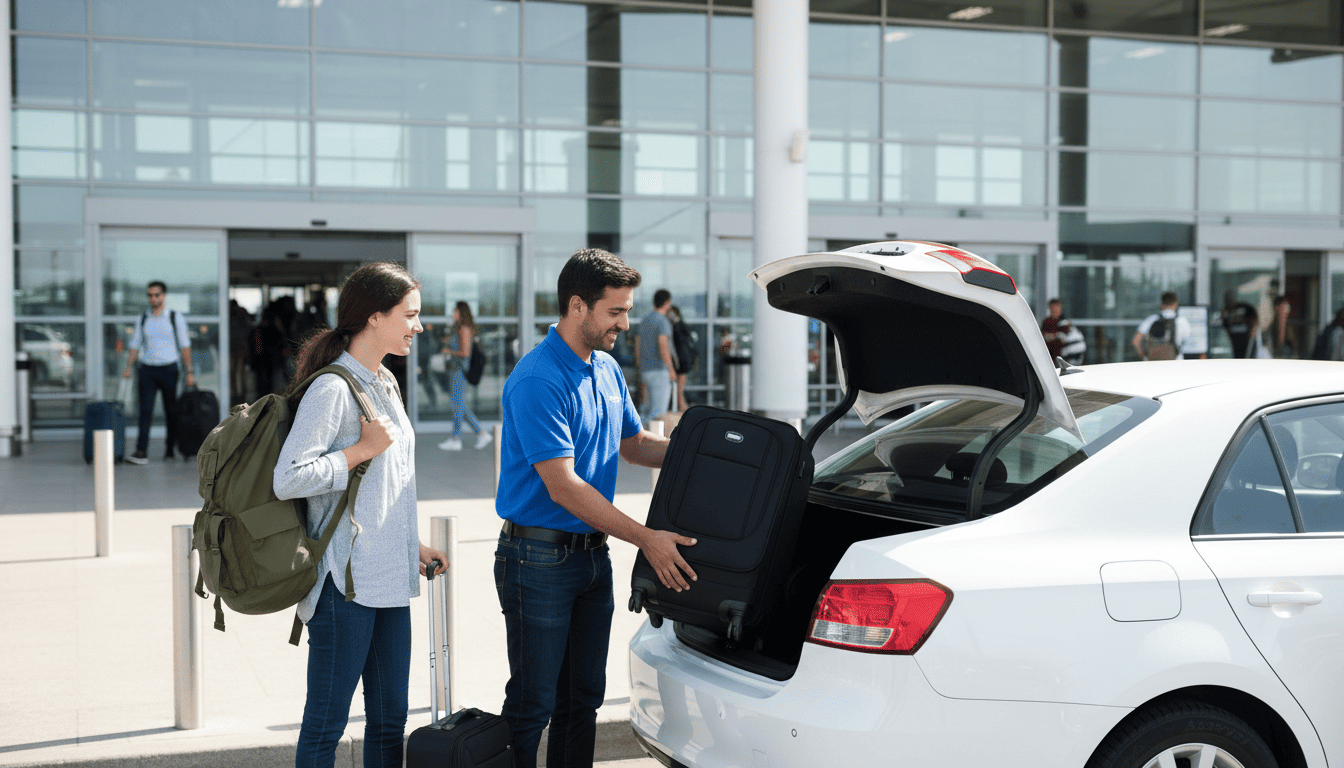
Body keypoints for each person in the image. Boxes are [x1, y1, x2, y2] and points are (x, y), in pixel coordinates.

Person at [495, 248, 697, 768]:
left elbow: (632, 444)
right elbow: (563, 486)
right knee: (532, 705)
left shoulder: (605, 367)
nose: (625, 324)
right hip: (537, 560)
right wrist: (646, 536)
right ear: (577, 306)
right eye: (616, 312)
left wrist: (703, 452)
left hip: (590, 558)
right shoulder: (539, 378)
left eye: (628, 311)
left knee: (581, 701)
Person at [274, 262, 448, 768]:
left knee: (391, 720)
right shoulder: (333, 389)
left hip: (389, 579)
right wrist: (355, 452)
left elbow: (387, 482)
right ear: (375, 317)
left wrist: (411, 546)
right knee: (327, 724)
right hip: (342, 588)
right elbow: (290, 477)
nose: (418, 326)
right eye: (409, 315)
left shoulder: (386, 382)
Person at [122, 281, 194, 464]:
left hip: (169, 368)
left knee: (171, 411)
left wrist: (189, 371)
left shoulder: (174, 317)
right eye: (150, 295)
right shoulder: (143, 318)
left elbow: (185, 345)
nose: (153, 298)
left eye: (156, 295)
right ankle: (141, 450)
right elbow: (135, 344)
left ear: (163, 296)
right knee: (145, 411)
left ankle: (170, 449)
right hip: (147, 369)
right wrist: (129, 366)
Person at [436, 301, 492, 451]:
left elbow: (465, 353)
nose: (453, 314)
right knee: (459, 405)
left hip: (460, 372)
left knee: (456, 405)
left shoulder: (464, 329)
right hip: (456, 371)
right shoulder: (459, 329)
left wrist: (449, 352)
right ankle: (481, 433)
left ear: (461, 312)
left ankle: (456, 438)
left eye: (455, 311)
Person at [635, 288, 677, 421]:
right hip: (659, 371)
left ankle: (639, 439)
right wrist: (671, 370)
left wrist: (639, 365)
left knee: (645, 410)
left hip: (645, 371)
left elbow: (638, 345)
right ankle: (650, 441)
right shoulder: (663, 321)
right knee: (658, 413)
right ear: (667, 303)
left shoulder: (644, 320)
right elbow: (663, 347)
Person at [1132, 291, 1191, 361]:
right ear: (1175, 304)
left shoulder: (1151, 320)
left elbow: (1136, 341)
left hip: (1154, 362)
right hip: (1175, 362)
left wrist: (1145, 357)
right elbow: (1186, 340)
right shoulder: (1182, 321)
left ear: (1162, 304)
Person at [667, 304, 696, 412]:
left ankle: (684, 410)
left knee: (679, 390)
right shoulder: (680, 326)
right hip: (683, 361)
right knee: (679, 390)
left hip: (681, 362)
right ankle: (683, 410)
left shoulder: (677, 326)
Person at [1220, 294, 1262, 359]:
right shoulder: (1226, 312)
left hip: (1248, 341)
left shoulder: (1244, 307)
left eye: (1230, 299)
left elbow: (1255, 318)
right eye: (1227, 300)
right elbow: (1225, 325)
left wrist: (1252, 330)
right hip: (1236, 343)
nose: (1230, 302)